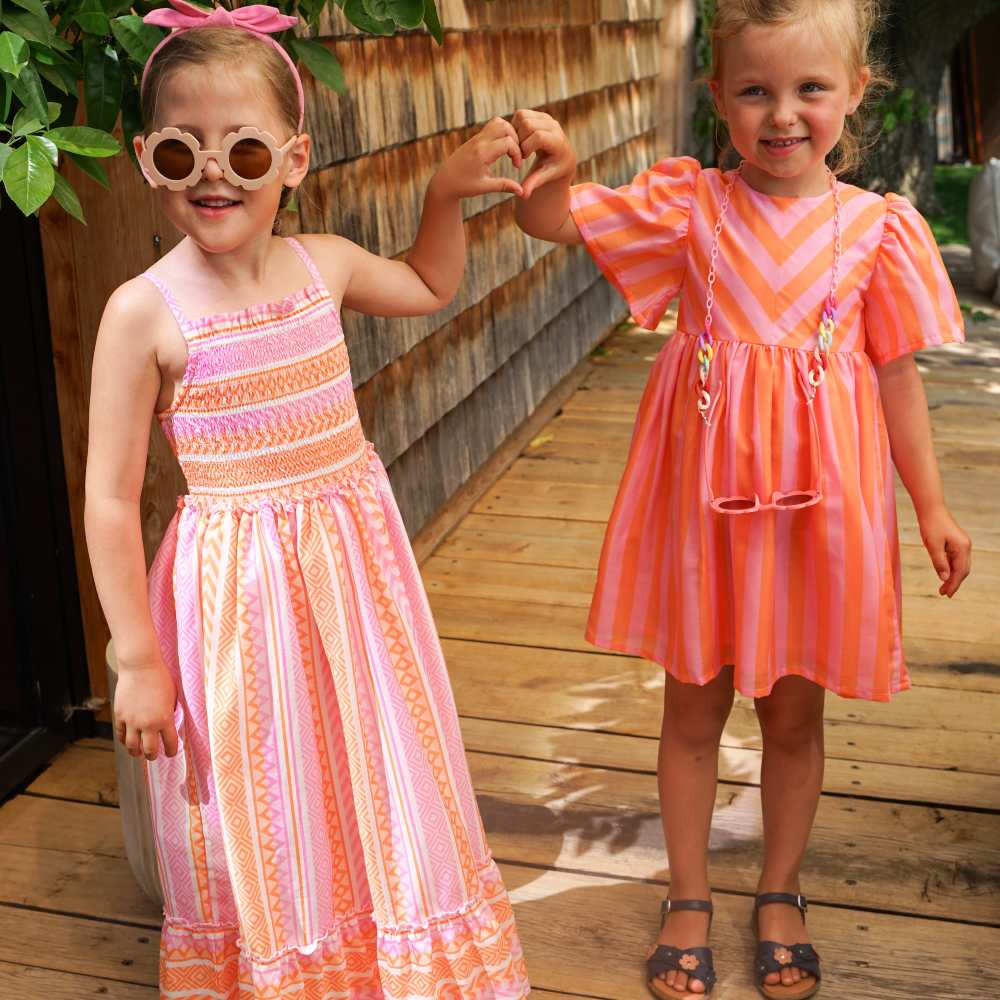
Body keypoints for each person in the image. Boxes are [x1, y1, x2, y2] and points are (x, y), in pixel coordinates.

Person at [512, 0, 971, 996]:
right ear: (717, 95)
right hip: (703, 512)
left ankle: (779, 886)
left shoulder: (878, 230)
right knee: (692, 706)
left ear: (855, 91)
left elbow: (894, 374)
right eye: (754, 91)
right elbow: (549, 219)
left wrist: (928, 503)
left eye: (810, 89)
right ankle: (687, 892)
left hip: (816, 516)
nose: (782, 115)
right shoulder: (689, 207)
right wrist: (551, 161)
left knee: (794, 715)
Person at [84, 2, 530, 996]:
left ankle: (389, 956)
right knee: (264, 783)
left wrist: (447, 192)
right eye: (178, 148)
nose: (211, 171)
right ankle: (287, 964)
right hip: (235, 600)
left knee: (374, 758)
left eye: (243, 151)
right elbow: (110, 501)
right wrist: (136, 659)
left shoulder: (321, 263)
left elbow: (423, 282)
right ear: (145, 157)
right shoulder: (143, 312)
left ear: (291, 159)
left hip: (353, 583)